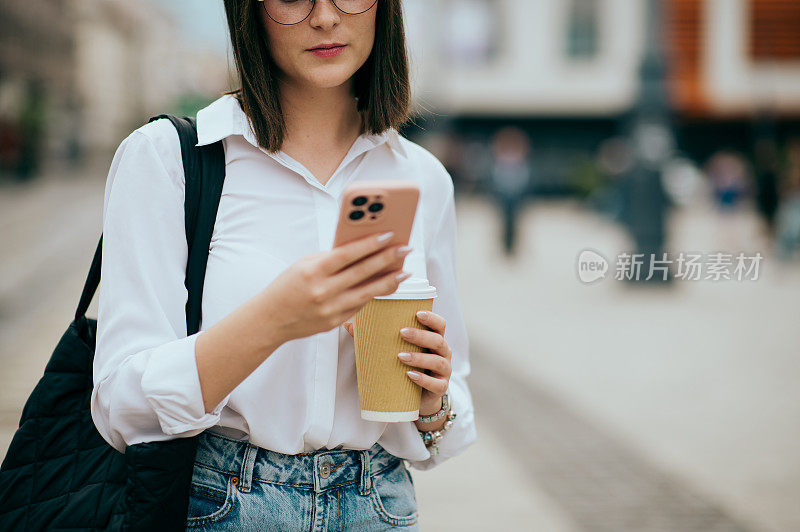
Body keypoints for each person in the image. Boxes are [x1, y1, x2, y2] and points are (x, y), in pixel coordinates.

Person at [90, 1, 476, 530]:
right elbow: (120, 404)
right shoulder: (170, 158)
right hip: (221, 504)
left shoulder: (422, 177)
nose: (325, 17)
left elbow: (441, 427)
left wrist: (432, 400)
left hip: (380, 504)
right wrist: (276, 317)